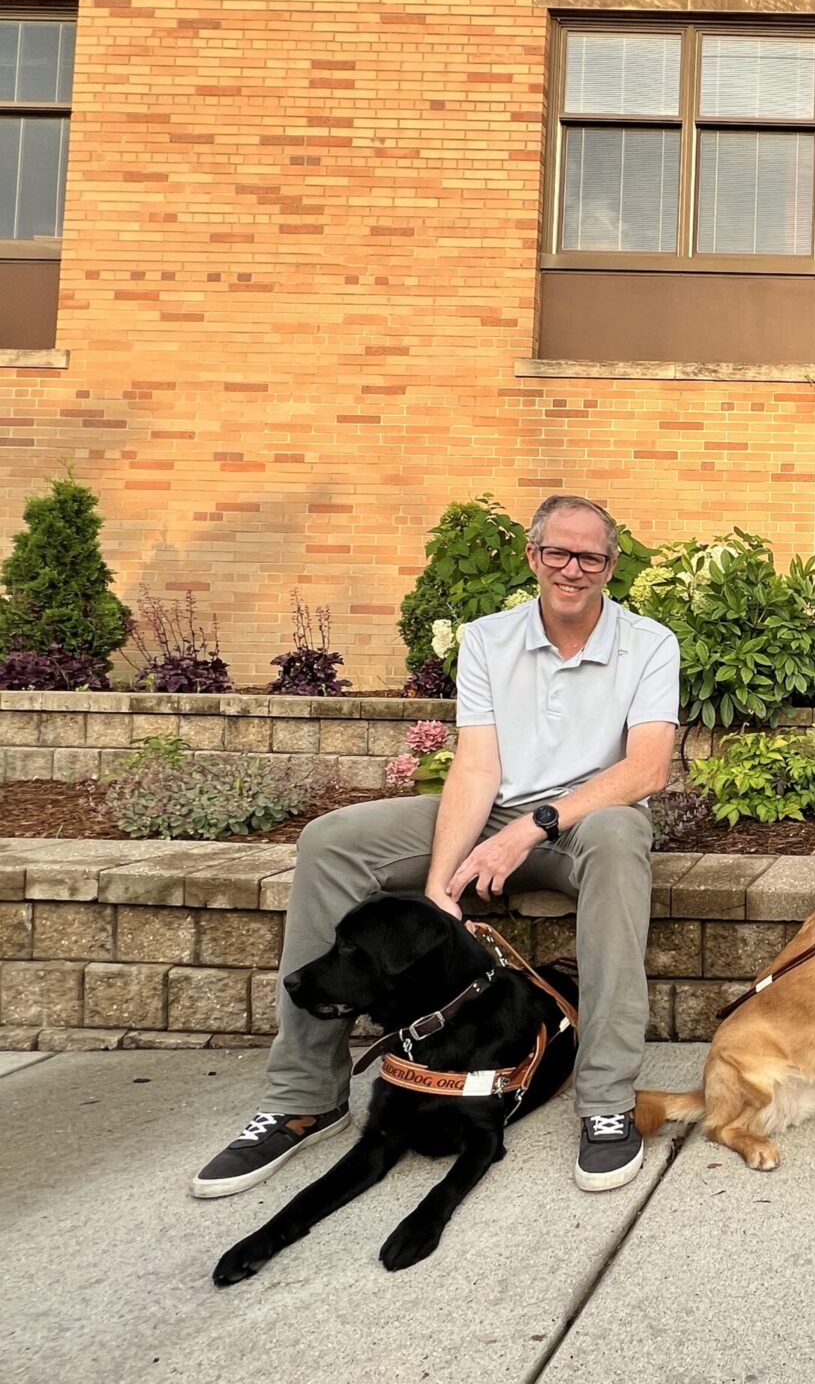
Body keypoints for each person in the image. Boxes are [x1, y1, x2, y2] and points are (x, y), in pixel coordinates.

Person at [192, 494, 680, 1198]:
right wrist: (438, 888)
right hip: (491, 812)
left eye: (591, 557)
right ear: (532, 555)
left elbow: (645, 770)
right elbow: (476, 766)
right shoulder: (488, 639)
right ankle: (305, 1095)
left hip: (584, 821)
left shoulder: (650, 643)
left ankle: (606, 1102)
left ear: (611, 565)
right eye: (558, 553)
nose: (573, 569)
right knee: (331, 841)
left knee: (618, 835)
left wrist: (530, 828)